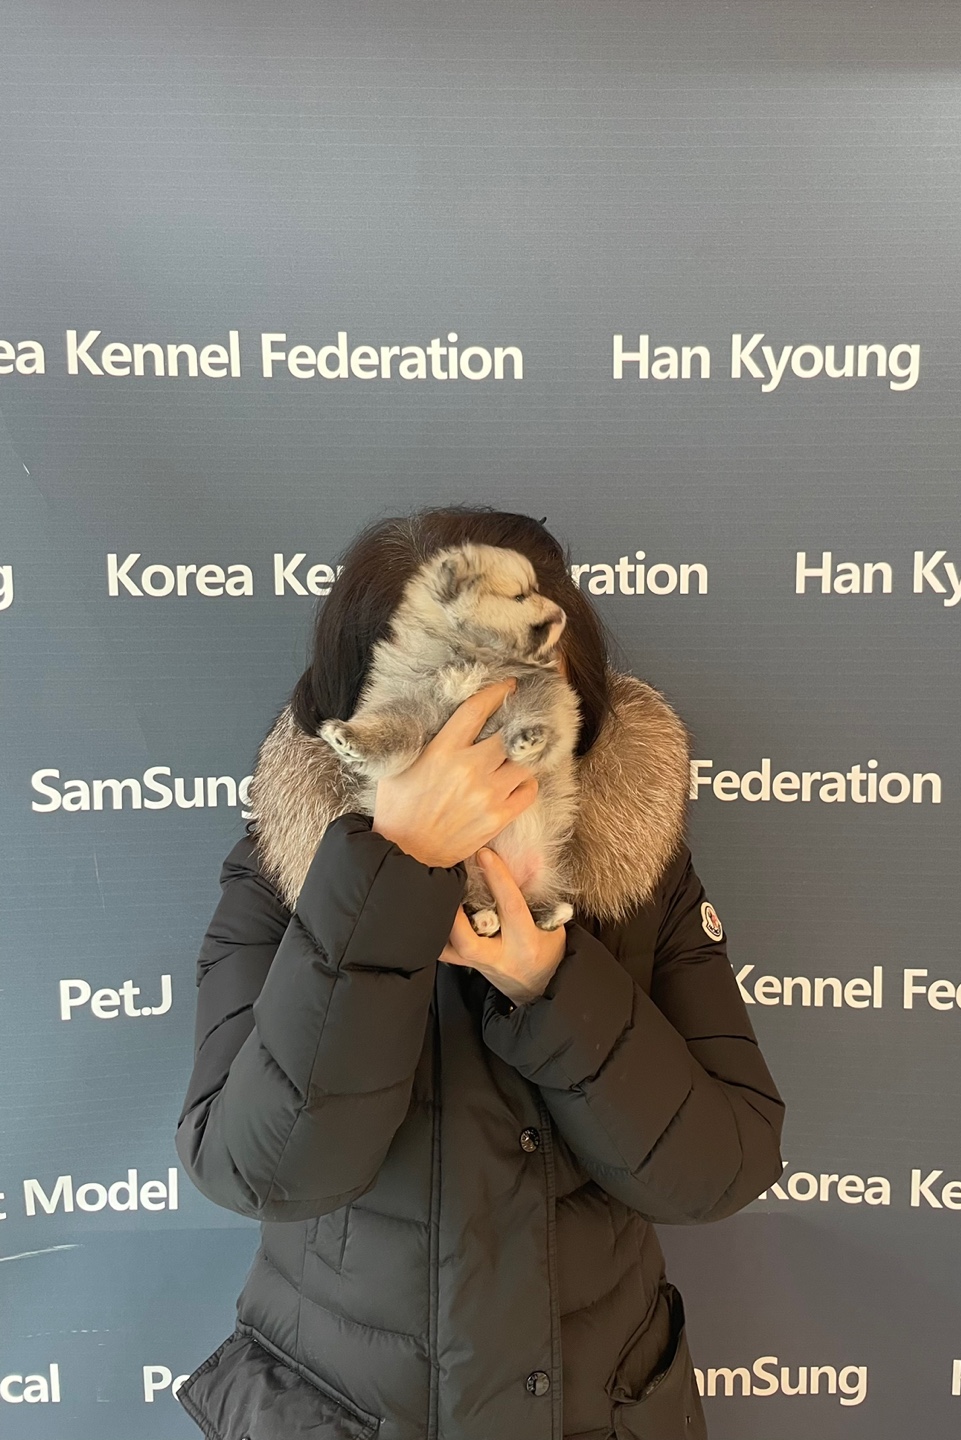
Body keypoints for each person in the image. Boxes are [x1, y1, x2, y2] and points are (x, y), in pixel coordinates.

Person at [173, 505, 785, 1440]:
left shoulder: (634, 871)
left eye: (517, 709)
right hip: (342, 1407)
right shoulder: (284, 872)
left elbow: (721, 1169)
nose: (483, 762)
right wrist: (385, 874)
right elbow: (262, 1173)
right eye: (446, 722)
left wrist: (554, 988)